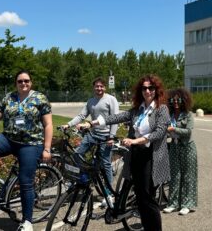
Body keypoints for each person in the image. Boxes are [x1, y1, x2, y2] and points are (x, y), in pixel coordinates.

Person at [82, 74, 170, 231]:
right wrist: (93, 123)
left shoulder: (161, 109)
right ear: (140, 90)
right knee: (140, 197)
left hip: (152, 157)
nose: (147, 91)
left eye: (151, 88)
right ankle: (147, 226)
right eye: (144, 88)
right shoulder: (138, 109)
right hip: (136, 155)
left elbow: (160, 132)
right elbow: (117, 117)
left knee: (148, 199)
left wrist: (136, 141)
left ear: (156, 90)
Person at [0, 70, 53, 231]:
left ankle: (27, 221)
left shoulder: (40, 98)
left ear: (31, 82)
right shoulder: (9, 98)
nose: (23, 84)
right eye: (20, 81)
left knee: (25, 181)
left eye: (26, 81)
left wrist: (47, 149)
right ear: (16, 83)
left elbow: (48, 124)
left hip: (31, 143)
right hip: (8, 139)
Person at [62, 77, 119, 203]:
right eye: (96, 86)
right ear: (93, 87)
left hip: (106, 136)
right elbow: (82, 115)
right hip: (93, 134)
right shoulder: (91, 101)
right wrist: (69, 124)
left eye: (101, 86)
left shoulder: (111, 99)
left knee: (106, 164)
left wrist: (111, 136)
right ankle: (84, 177)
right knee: (77, 154)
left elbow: (115, 119)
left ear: (105, 87)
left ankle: (108, 193)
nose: (99, 88)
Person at [163, 88, 198, 216]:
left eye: (178, 100)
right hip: (174, 147)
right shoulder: (170, 115)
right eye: (173, 100)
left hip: (187, 148)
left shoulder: (188, 114)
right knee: (174, 176)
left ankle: (187, 204)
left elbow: (188, 131)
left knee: (188, 177)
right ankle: (172, 203)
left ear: (184, 100)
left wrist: (174, 129)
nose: (175, 102)